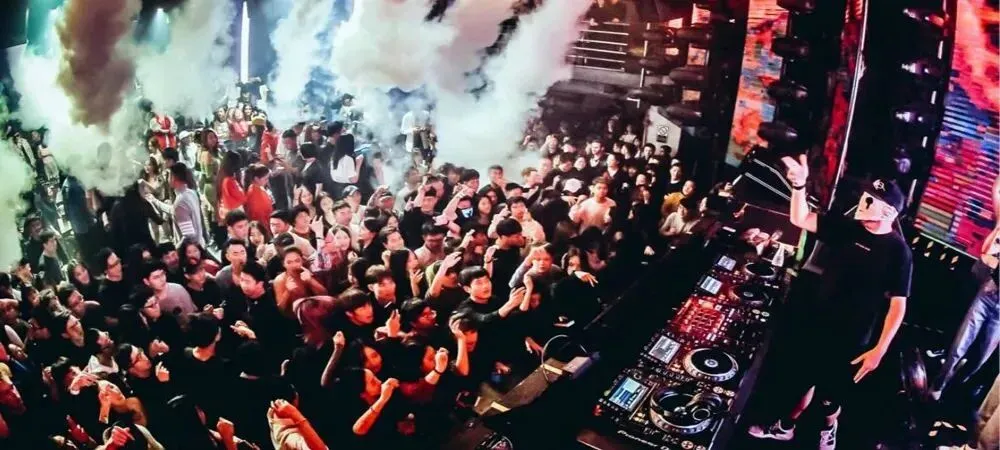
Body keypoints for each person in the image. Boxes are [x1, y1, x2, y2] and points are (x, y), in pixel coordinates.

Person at [747, 156, 912, 450]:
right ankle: (786, 427)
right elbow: (800, 219)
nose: (863, 202)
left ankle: (828, 428)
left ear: (888, 211)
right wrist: (799, 185)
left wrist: (879, 350)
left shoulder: (899, 253)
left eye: (871, 199)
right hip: (818, 320)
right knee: (801, 379)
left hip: (852, 337)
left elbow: (898, 305)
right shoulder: (848, 228)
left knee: (829, 396)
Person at [929, 223, 1000, 400]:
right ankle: (938, 386)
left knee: (981, 357)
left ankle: (952, 388)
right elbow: (986, 253)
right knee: (960, 345)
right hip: (988, 295)